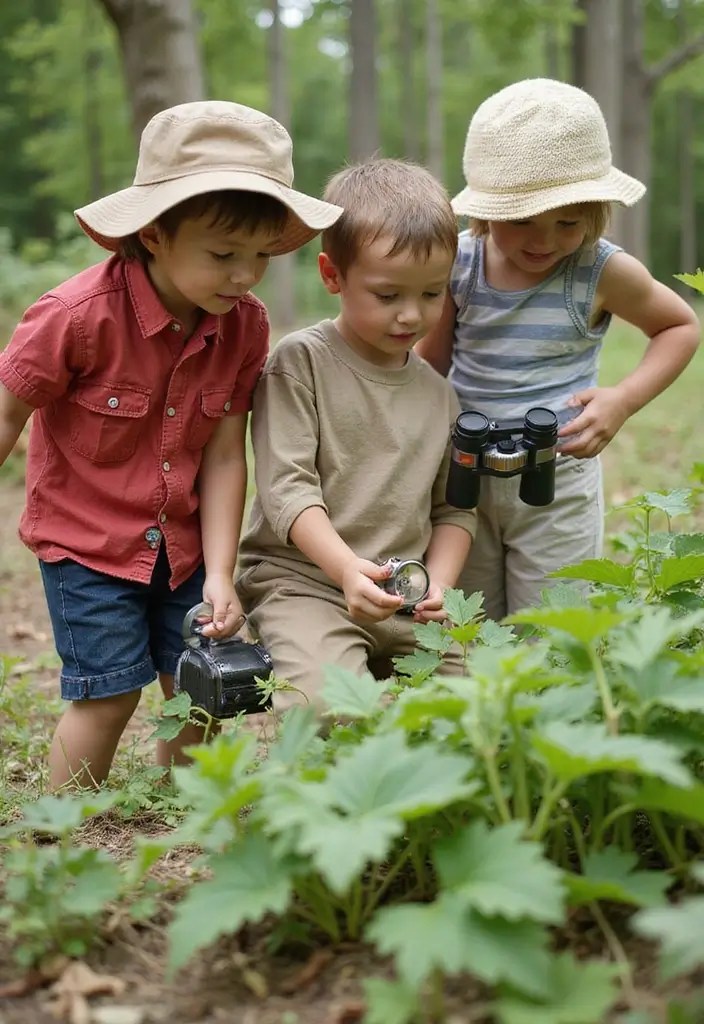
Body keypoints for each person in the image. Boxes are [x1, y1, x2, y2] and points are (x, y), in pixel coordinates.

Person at [0, 101, 341, 788]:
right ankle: (69, 821)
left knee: (199, 686)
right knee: (107, 693)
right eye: (223, 255)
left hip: (185, 547)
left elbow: (222, 454)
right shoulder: (75, 318)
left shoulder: (244, 326)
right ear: (154, 233)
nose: (244, 274)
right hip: (87, 542)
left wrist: (219, 572)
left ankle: (183, 804)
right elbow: (8, 412)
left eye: (260, 257)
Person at [416, 78, 700, 620]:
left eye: (567, 222)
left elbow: (679, 326)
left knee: (551, 625)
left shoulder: (601, 270)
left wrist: (622, 399)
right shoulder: (461, 264)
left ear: (595, 210)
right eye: (521, 220)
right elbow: (433, 364)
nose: (542, 240)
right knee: (470, 622)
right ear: (488, 208)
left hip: (557, 473)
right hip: (463, 474)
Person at [236, 159, 476, 707]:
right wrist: (345, 571)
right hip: (304, 582)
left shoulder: (441, 395)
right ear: (332, 276)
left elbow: (456, 510)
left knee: (473, 717)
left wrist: (437, 583)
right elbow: (286, 490)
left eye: (433, 294)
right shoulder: (300, 363)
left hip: (405, 596)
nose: (411, 315)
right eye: (388, 295)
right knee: (331, 710)